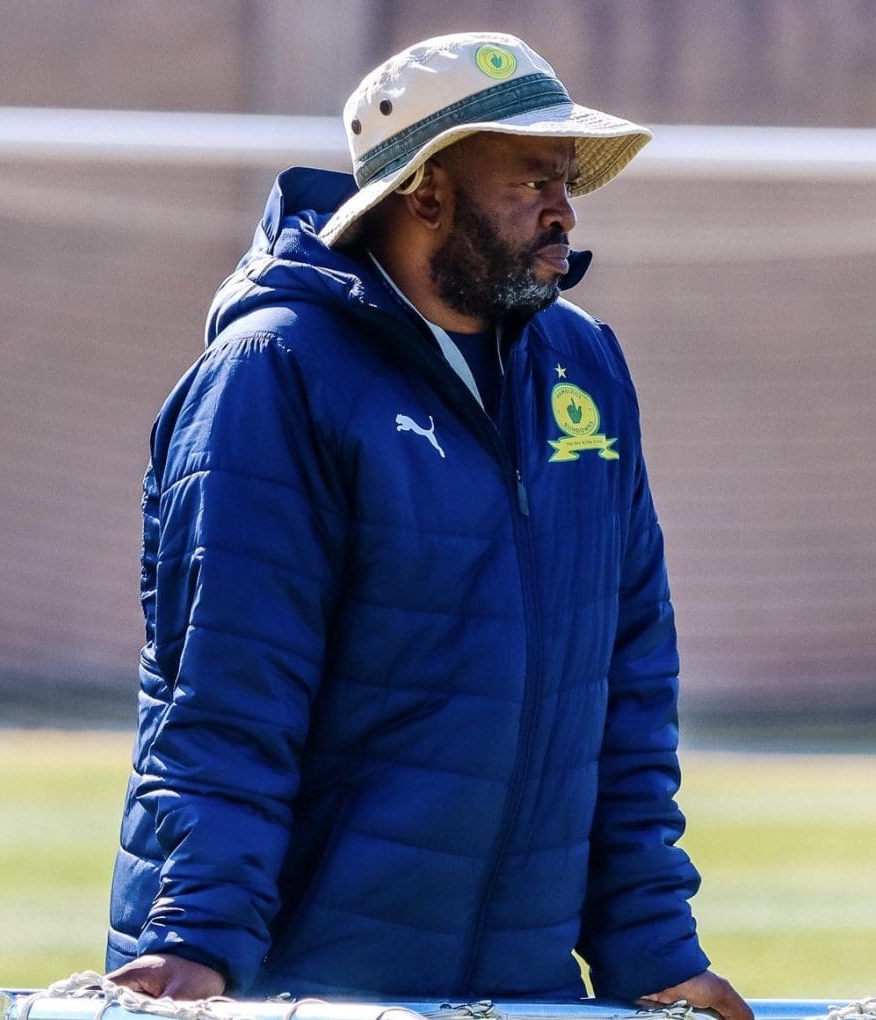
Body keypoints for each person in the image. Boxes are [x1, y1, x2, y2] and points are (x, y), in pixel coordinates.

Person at [102, 31, 750, 1020]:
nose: (564, 210)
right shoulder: (273, 375)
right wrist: (194, 941)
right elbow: (230, 697)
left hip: (519, 993)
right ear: (427, 192)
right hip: (299, 989)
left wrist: (648, 945)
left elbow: (626, 692)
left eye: (568, 180)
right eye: (532, 177)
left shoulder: (585, 371)